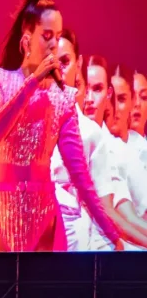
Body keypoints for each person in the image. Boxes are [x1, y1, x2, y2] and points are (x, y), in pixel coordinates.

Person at [0, 0, 117, 251]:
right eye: (46, 35)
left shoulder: (63, 98)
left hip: (44, 216)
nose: (53, 43)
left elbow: (80, 174)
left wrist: (113, 235)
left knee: (41, 290)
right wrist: (33, 81)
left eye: (57, 35)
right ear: (27, 36)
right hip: (2, 212)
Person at [48, 31, 119, 251]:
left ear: (78, 63)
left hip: (73, 242)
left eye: (65, 61)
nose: (58, 71)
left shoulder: (90, 135)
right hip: (34, 234)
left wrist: (115, 241)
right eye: (51, 63)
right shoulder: (31, 125)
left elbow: (102, 206)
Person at [82, 57, 147, 248]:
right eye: (85, 88)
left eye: (97, 89)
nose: (89, 98)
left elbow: (128, 214)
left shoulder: (114, 148)